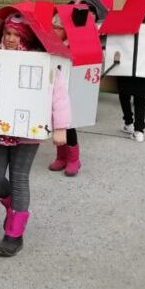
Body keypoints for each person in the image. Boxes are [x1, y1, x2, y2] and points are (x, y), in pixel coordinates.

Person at [0, 14, 70, 257]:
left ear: (26, 37)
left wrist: (60, 127)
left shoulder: (41, 60)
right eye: (7, 34)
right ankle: (12, 204)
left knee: (19, 177)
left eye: (16, 35)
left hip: (28, 129)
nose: (11, 39)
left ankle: (14, 233)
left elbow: (59, 94)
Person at [47, 12, 80, 176]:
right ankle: (61, 156)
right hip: (55, 91)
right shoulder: (50, 44)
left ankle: (74, 159)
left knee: (69, 126)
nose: (55, 31)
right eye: (53, 28)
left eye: (59, 28)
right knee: (56, 122)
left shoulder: (71, 45)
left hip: (70, 90)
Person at [117, 75, 145, 142]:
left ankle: (128, 122)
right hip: (144, 68)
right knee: (140, 95)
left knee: (124, 92)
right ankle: (139, 131)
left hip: (126, 68)